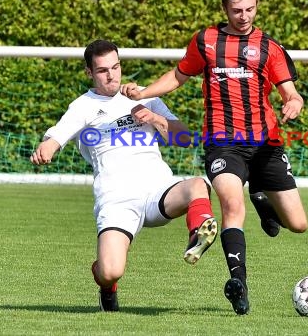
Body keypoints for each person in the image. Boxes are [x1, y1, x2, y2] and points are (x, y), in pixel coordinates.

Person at [120, 0, 308, 315]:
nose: (244, 16)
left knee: (297, 223)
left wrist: (293, 102)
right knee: (232, 207)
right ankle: (239, 284)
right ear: (225, 8)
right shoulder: (206, 41)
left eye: (250, 9)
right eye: (237, 10)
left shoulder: (269, 47)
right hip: (223, 145)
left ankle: (262, 196)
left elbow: (289, 90)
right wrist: (144, 92)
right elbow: (179, 75)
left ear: (257, 6)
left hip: (266, 144)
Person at [30, 39, 218, 312]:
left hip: (158, 189)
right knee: (110, 271)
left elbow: (184, 138)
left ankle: (197, 236)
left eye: (116, 67)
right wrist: (47, 147)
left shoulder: (143, 95)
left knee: (198, 184)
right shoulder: (83, 106)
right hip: (116, 199)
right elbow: (57, 134)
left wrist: (154, 118)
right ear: (89, 73)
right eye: (103, 70)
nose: (112, 75)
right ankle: (108, 286)